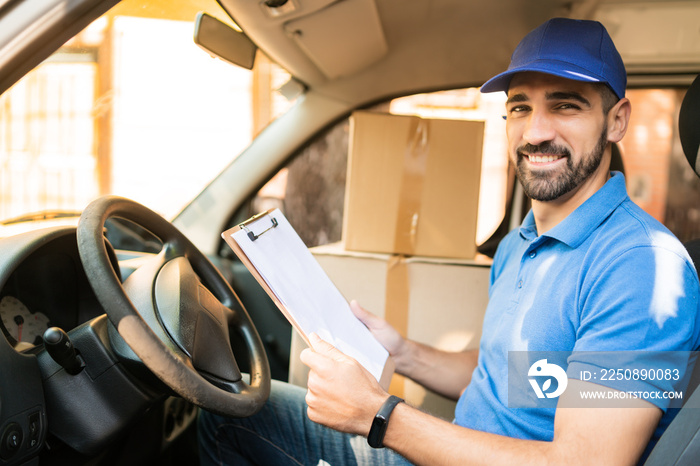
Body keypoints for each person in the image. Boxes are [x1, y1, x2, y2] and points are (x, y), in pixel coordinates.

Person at [198, 18, 700, 465]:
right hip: (446, 448)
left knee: (225, 414)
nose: (536, 131)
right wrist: (403, 351)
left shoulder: (641, 267)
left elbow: (586, 462)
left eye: (566, 106)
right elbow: (512, 376)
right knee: (228, 407)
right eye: (520, 108)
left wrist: (379, 415)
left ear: (617, 121)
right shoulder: (521, 244)